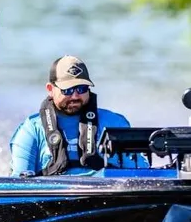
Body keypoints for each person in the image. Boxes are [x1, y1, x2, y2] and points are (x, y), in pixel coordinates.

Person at [8, 55, 141, 176]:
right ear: (50, 89)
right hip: (52, 197)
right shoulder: (31, 130)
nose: (75, 96)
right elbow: (17, 184)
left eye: (81, 89)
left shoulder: (115, 123)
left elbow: (140, 174)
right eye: (67, 90)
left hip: (108, 196)